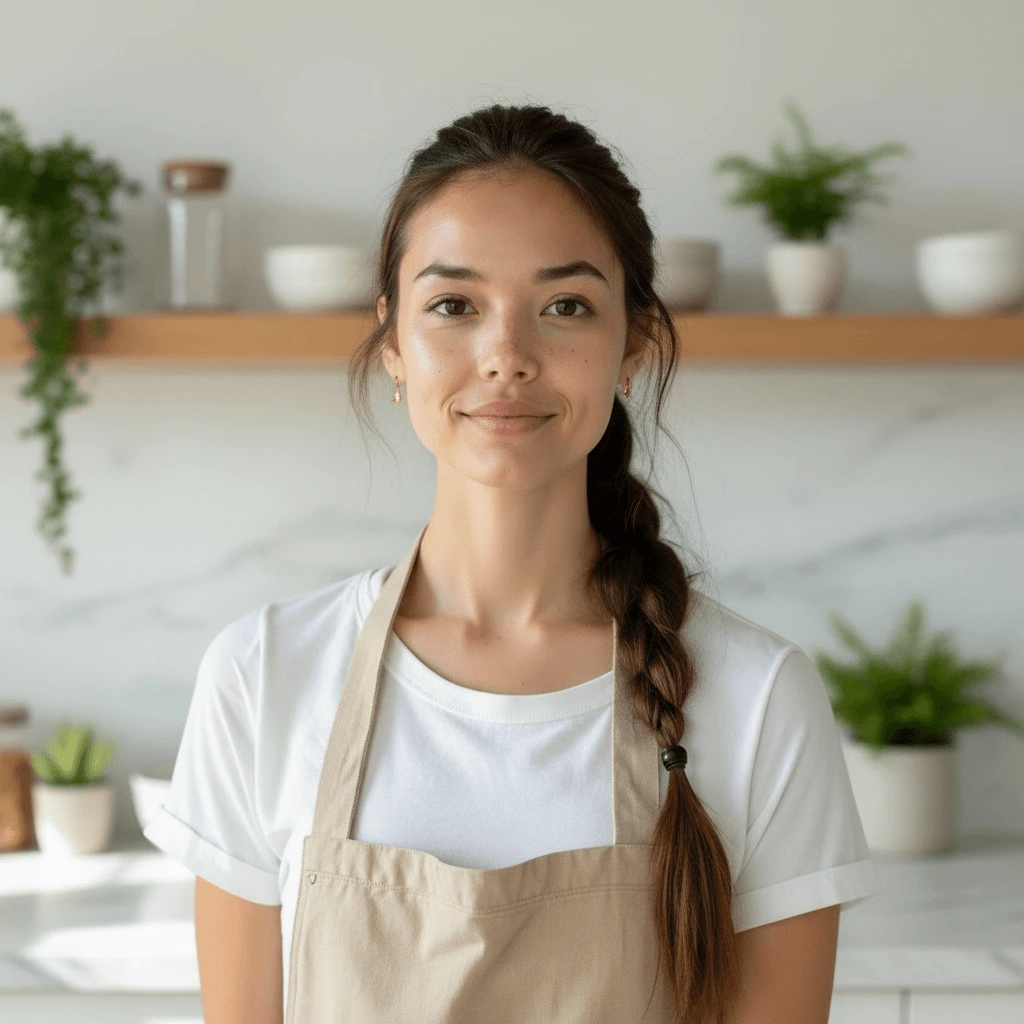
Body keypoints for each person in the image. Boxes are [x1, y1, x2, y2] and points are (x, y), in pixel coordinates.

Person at [143, 102, 882, 1024]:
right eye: (454, 306)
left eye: (565, 307)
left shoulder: (759, 697)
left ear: (632, 345)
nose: (506, 357)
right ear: (393, 344)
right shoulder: (265, 676)